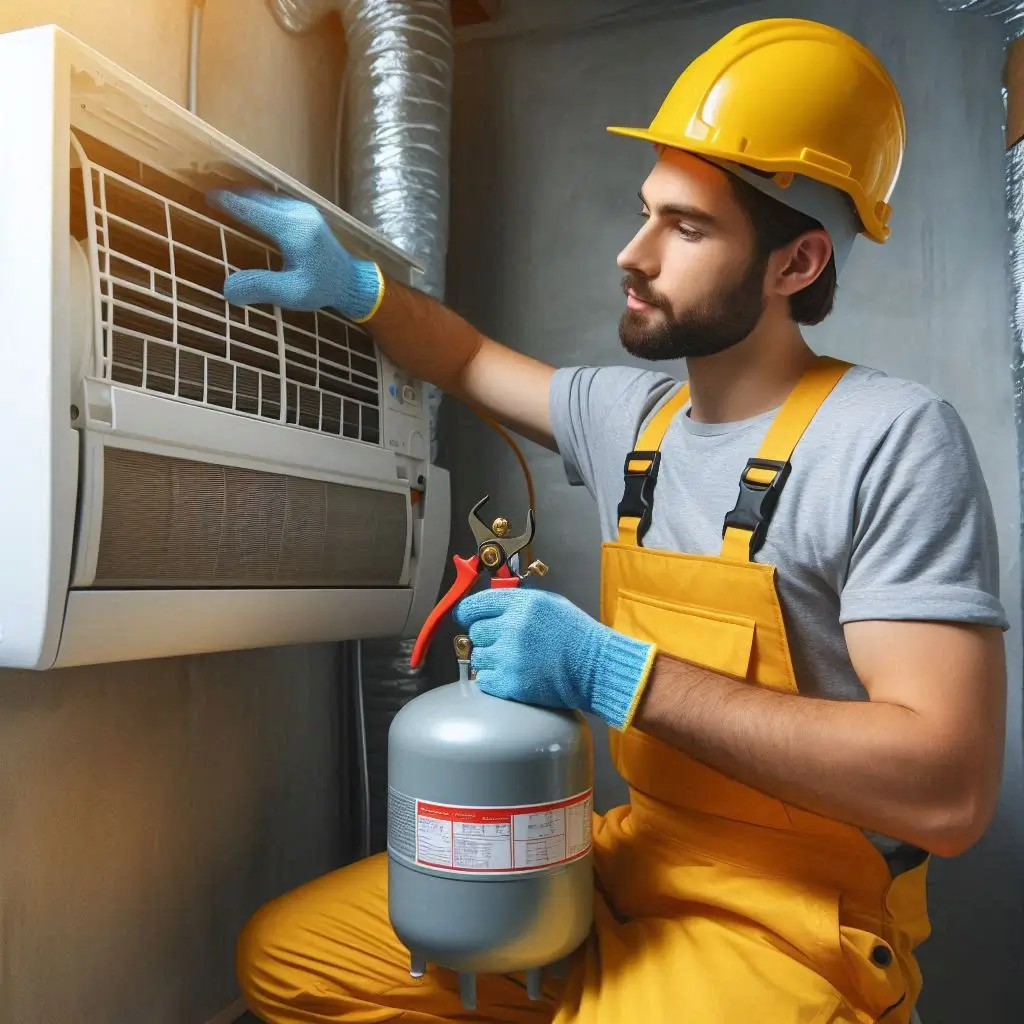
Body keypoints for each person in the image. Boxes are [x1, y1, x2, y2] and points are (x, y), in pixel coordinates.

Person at [208, 17, 1008, 1024]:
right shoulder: (634, 419)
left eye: (686, 228)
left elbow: (946, 787)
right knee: (291, 961)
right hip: (632, 857)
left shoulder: (891, 438)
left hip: (795, 921)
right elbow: (463, 359)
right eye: (645, 212)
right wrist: (362, 291)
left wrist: (614, 673)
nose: (631, 254)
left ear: (796, 264)